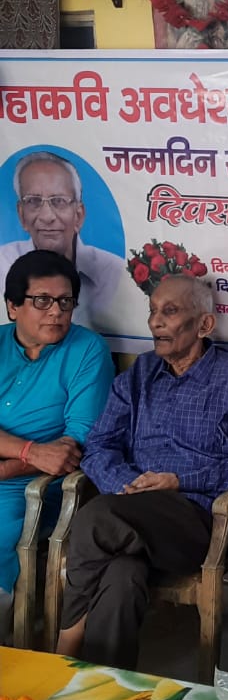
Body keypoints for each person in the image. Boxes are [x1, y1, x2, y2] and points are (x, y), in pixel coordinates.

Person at [56, 273, 228, 671]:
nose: (155, 322)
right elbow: (100, 444)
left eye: (170, 311)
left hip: (200, 519)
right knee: (122, 577)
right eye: (153, 311)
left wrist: (180, 481)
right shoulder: (141, 373)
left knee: (96, 518)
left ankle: (64, 645)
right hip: (131, 511)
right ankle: (102, 686)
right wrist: (126, 487)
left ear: (204, 324)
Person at [0, 249, 114, 637]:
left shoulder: (87, 350)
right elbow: (45, 452)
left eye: (65, 302)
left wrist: (9, 468)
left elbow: (74, 445)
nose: (56, 312)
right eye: (42, 301)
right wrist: (29, 450)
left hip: (33, 488)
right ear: (13, 306)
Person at [0, 151, 123, 326]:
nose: (47, 216)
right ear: (21, 215)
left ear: (78, 215)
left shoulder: (114, 272)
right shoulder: (2, 264)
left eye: (59, 201)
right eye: (34, 201)